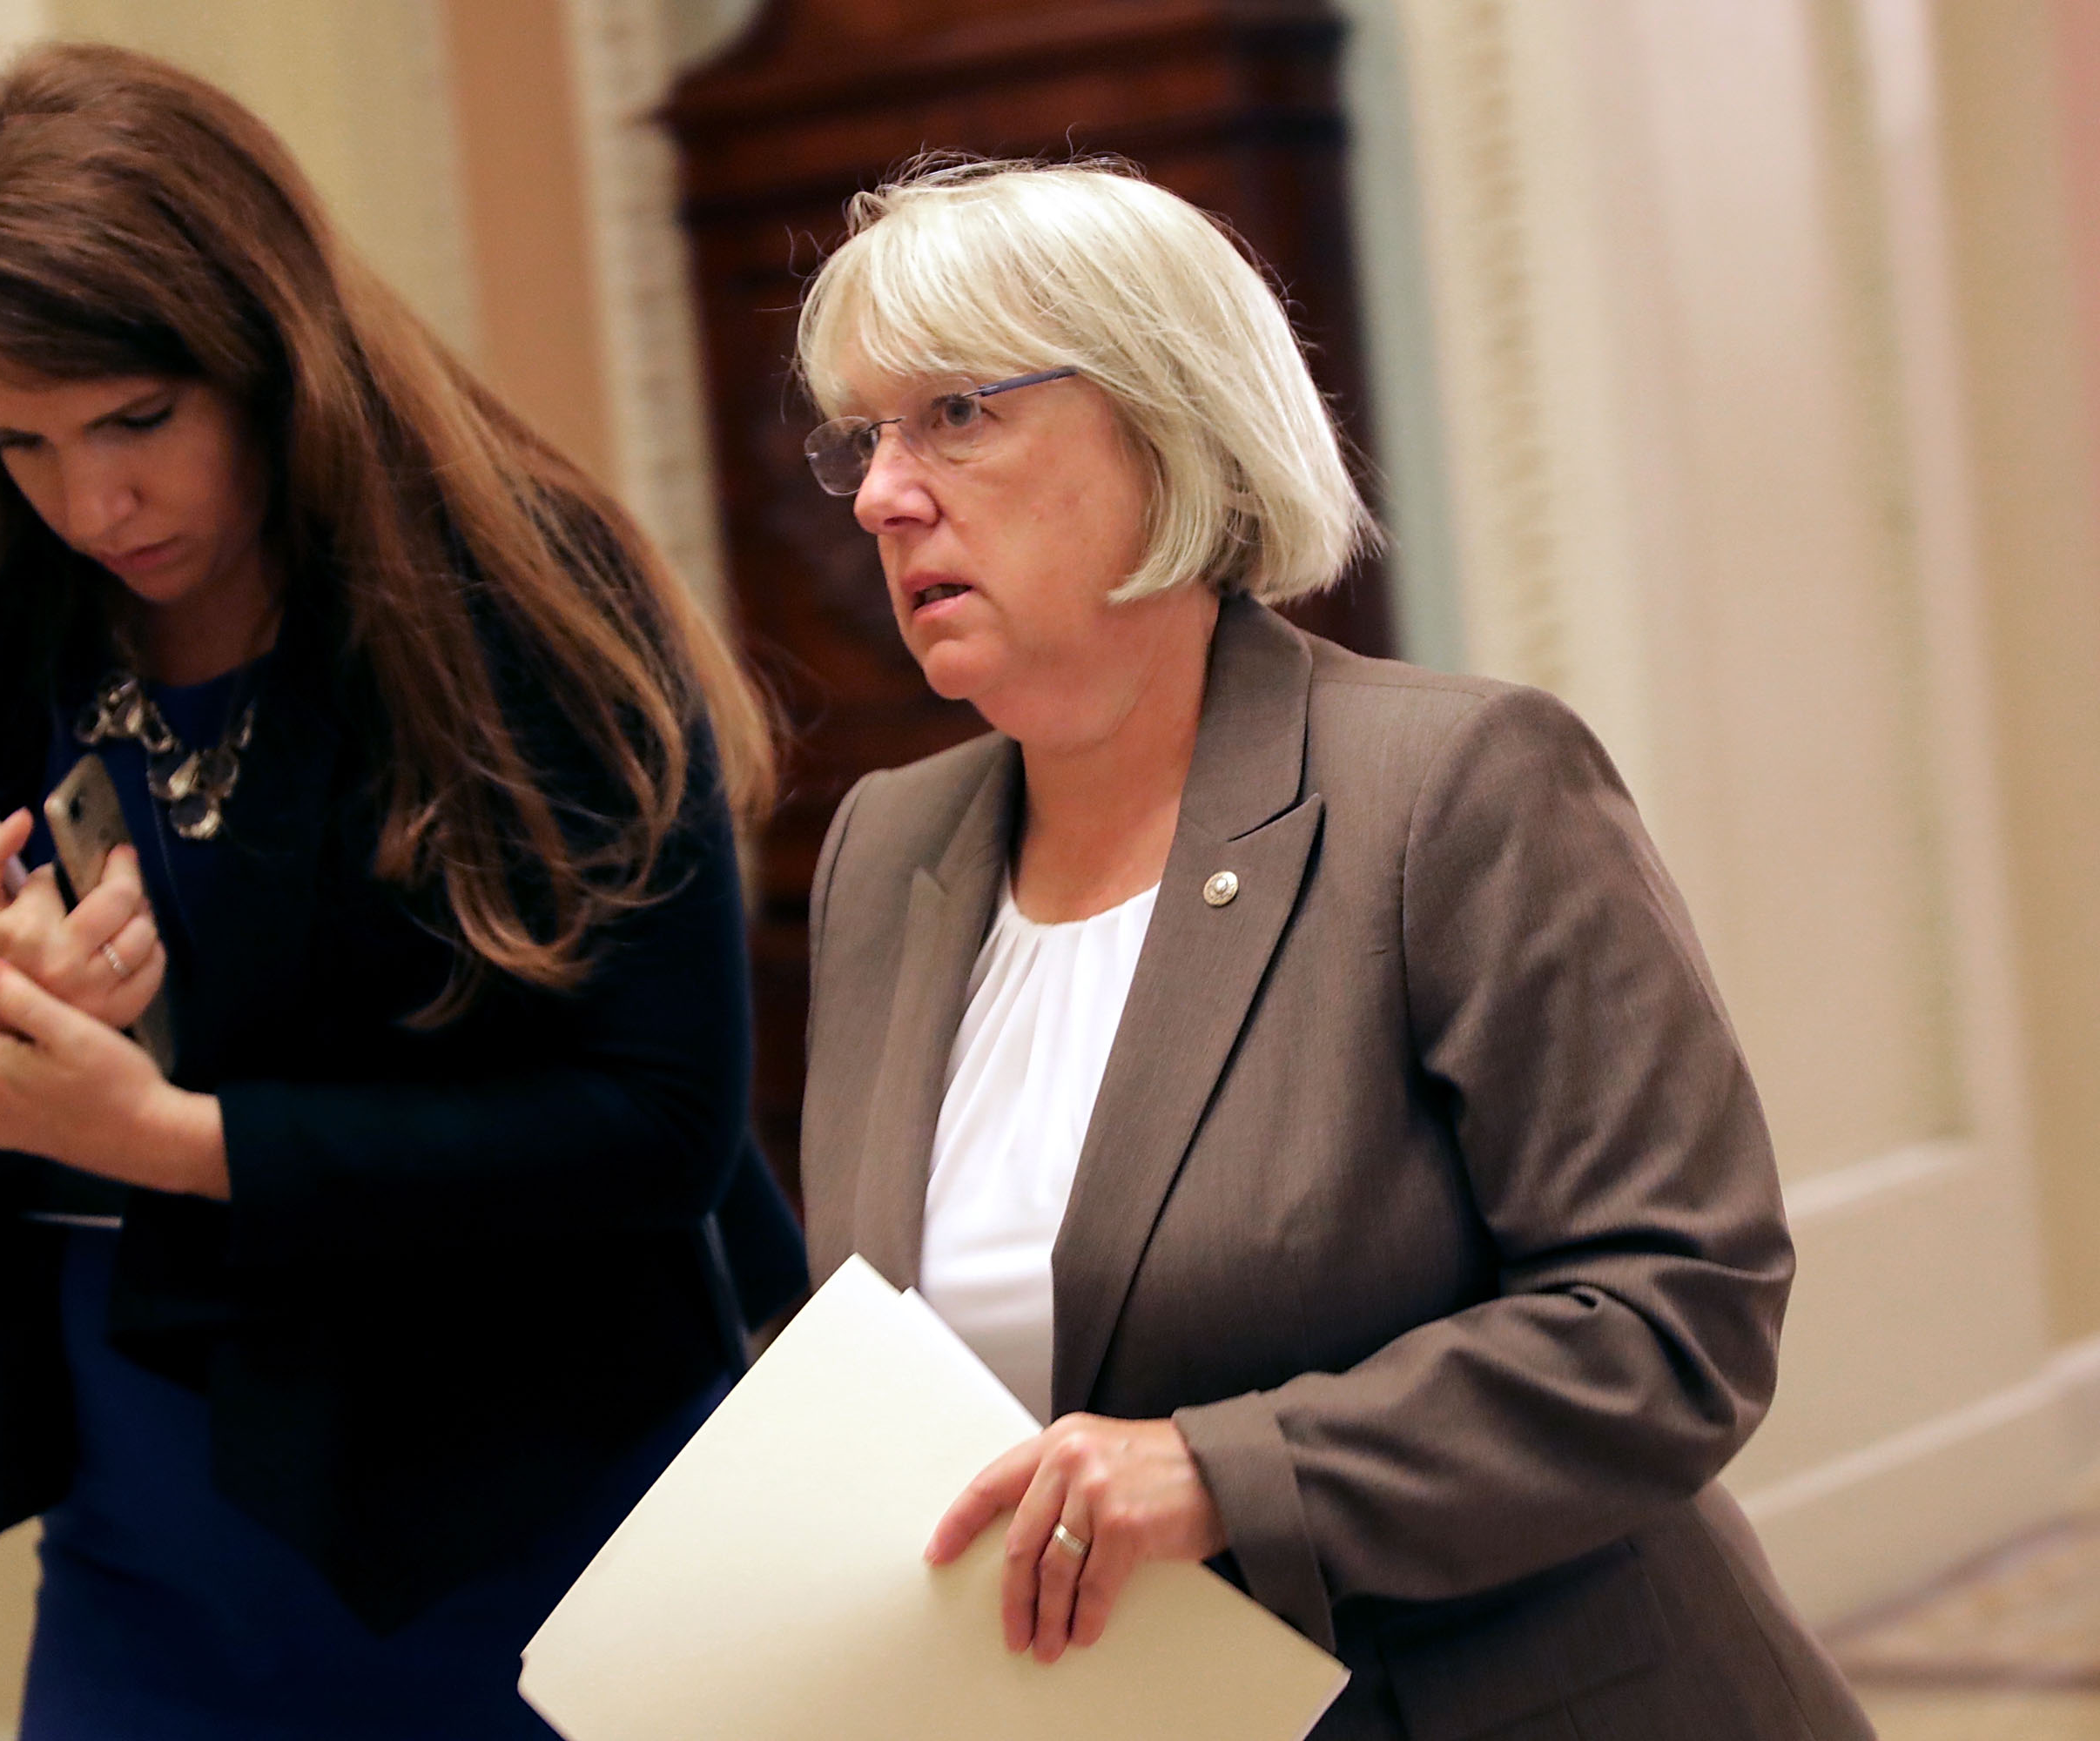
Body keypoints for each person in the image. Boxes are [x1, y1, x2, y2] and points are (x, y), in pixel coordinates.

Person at [0, 42, 798, 1739]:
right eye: (17, 441)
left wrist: (165, 1139)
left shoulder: (514, 598)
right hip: (138, 1546)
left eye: (140, 421)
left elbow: (658, 1123)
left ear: (272, 350)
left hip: (533, 1531)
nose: (92, 501)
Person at [792, 158, 1873, 1739]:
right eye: (868, 435)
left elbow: (1673, 1316)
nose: (888, 491)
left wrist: (1230, 1476)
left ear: (1168, 431)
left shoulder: (1454, 788)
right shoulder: (888, 850)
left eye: (958, 414)